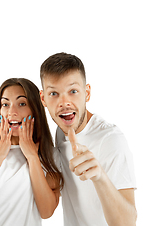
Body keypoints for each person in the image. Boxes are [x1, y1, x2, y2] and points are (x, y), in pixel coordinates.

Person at [38, 53, 136, 225]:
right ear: (43, 98)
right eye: (54, 93)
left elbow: (129, 223)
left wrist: (100, 177)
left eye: (73, 91)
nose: (64, 102)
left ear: (87, 93)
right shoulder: (61, 131)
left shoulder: (111, 140)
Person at [0, 78, 62, 225]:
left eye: (22, 104)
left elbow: (46, 212)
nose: (12, 112)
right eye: (5, 104)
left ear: (35, 109)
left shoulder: (49, 155)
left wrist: (33, 157)